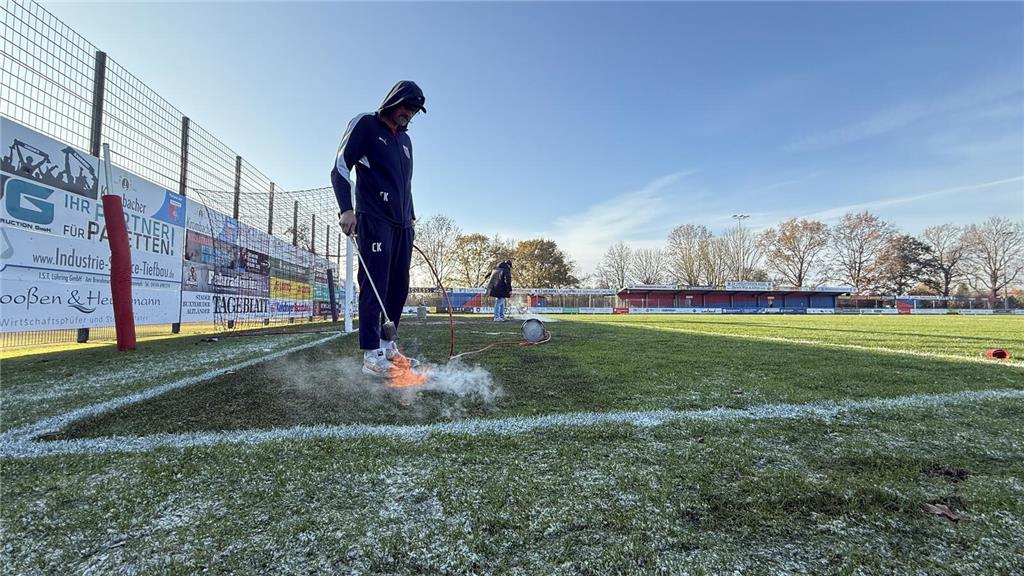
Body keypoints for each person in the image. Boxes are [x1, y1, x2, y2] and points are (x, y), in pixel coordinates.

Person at [331, 80, 426, 377]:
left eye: (414, 111)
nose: (409, 114)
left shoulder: (406, 142)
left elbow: (404, 185)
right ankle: (371, 355)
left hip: (402, 224)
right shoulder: (366, 125)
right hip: (374, 218)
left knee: (400, 284)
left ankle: (388, 346)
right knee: (376, 283)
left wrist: (409, 216)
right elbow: (340, 167)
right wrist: (347, 209)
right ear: (393, 100)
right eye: (406, 106)